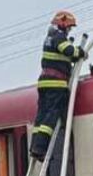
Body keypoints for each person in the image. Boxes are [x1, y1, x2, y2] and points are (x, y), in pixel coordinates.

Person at [30, 11, 88, 162]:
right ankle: (41, 148)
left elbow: (65, 54)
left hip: (44, 82)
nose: (69, 30)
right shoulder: (59, 37)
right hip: (56, 84)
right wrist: (80, 52)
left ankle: (34, 146)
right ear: (63, 24)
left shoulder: (49, 38)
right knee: (51, 115)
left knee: (41, 116)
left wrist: (75, 55)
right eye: (69, 27)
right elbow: (68, 50)